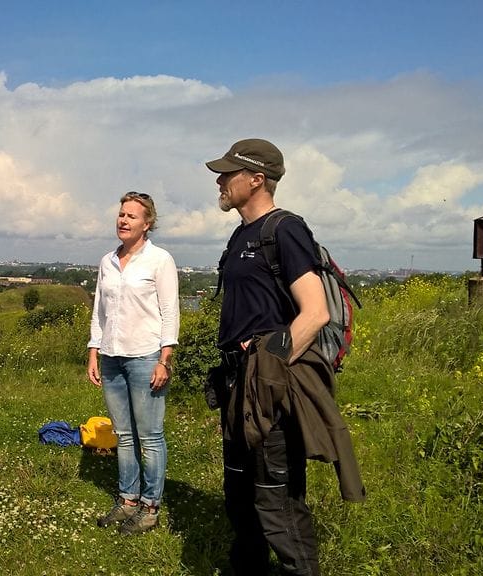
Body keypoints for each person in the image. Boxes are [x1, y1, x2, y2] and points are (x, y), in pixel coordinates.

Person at [205, 139, 364, 575]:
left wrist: (268, 369)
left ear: (256, 179)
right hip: (238, 384)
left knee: (275, 497)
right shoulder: (242, 234)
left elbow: (315, 312)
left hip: (268, 385)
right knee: (239, 493)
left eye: (227, 173)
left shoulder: (285, 229)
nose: (219, 181)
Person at [87, 191, 180, 535]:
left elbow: (170, 312)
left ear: (147, 223)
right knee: (124, 435)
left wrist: (164, 359)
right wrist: (94, 351)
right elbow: (100, 311)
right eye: (121, 214)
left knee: (150, 436)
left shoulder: (159, 260)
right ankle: (128, 500)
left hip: (145, 357)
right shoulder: (107, 261)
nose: (123, 220)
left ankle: (150, 507)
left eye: (131, 216)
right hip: (111, 357)